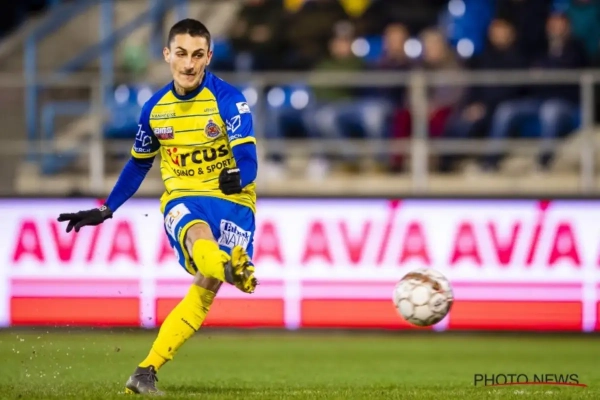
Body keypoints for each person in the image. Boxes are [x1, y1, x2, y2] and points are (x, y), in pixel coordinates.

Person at [56, 19, 259, 395]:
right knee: (197, 234)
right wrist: (107, 208)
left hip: (233, 201)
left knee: (204, 288)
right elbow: (138, 164)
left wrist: (238, 176)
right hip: (184, 197)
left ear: (209, 57)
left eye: (197, 55)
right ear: (167, 55)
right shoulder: (155, 109)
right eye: (181, 54)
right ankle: (230, 267)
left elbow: (249, 159)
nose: (188, 64)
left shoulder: (230, 101)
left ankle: (145, 371)